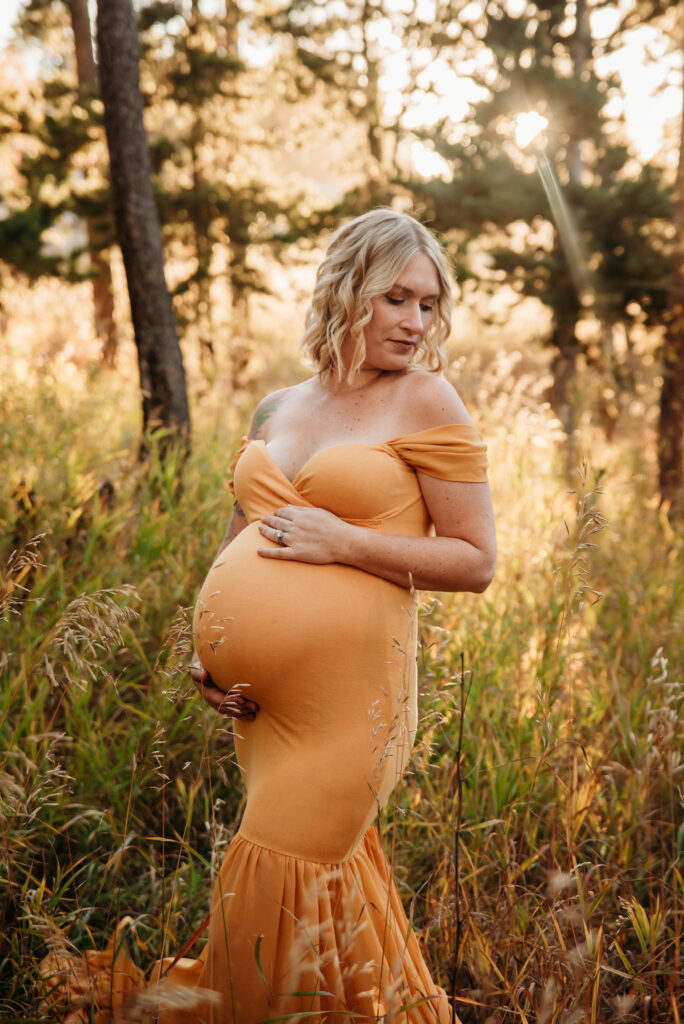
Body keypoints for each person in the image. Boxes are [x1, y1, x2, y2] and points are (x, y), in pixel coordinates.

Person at [41, 209, 495, 1023]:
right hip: (259, 710)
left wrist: (346, 541)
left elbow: (476, 561)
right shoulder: (276, 408)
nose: (416, 322)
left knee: (274, 867)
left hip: (351, 705)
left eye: (428, 304)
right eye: (397, 299)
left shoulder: (426, 399)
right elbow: (238, 539)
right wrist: (207, 655)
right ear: (347, 289)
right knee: (314, 891)